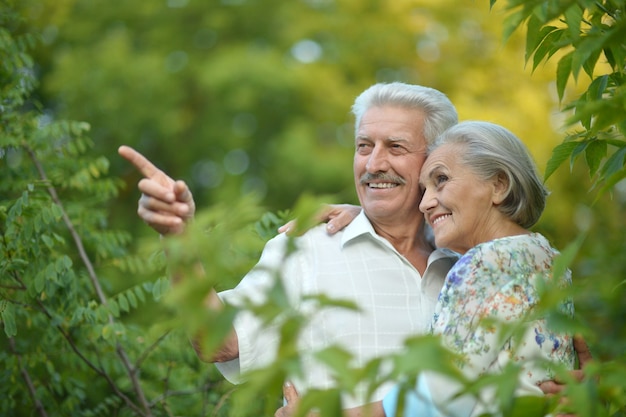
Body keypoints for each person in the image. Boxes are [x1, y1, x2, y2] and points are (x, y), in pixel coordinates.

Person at [119, 82, 461, 409]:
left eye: (395, 147)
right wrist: (179, 239)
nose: (373, 164)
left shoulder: (466, 262)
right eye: (364, 146)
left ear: (434, 161)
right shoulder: (306, 249)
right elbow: (217, 341)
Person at [277, 121, 579, 417]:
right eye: (423, 189)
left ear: (498, 185)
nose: (425, 203)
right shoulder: (551, 261)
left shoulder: (481, 264)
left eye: (441, 180)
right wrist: (368, 217)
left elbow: (438, 396)